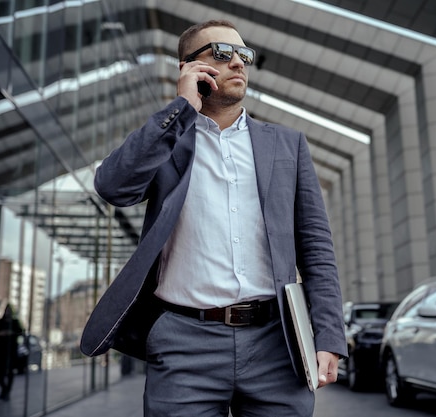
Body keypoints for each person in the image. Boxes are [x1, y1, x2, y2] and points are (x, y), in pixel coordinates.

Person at [80, 19, 347, 416]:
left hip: (277, 343)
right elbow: (113, 187)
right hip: (184, 343)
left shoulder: (287, 145)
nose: (238, 62)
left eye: (244, 55)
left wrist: (329, 335)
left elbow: (316, 247)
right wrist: (181, 108)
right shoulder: (167, 141)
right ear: (189, 67)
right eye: (222, 53)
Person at [0, 303, 24, 401]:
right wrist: (0, 334)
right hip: (1, 350)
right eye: (7, 310)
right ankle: (5, 389)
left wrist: (11, 333)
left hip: (11, 351)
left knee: (10, 372)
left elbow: (21, 332)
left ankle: (7, 391)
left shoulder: (15, 322)